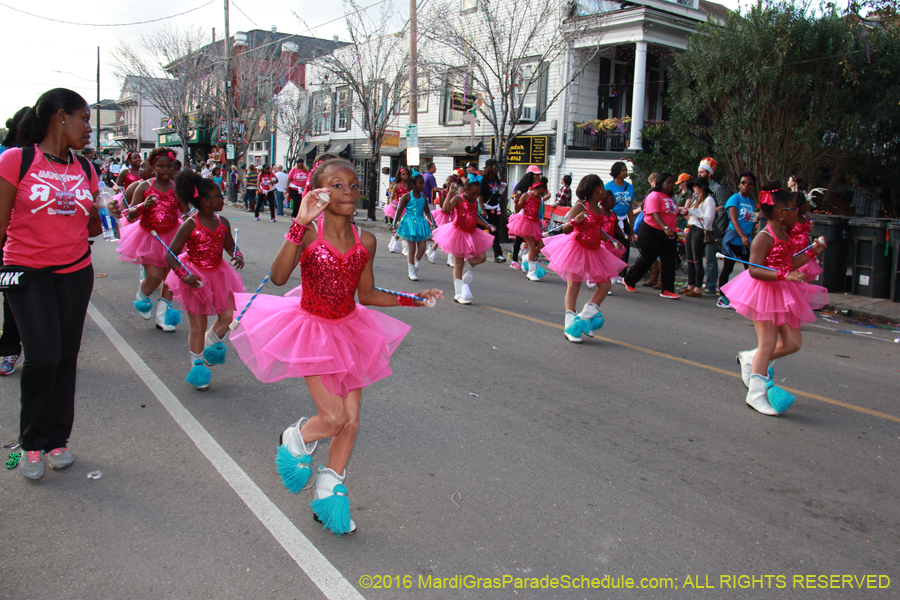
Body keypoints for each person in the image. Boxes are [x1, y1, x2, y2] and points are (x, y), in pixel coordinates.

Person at [229, 158, 442, 536]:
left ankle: (328, 494)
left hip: (350, 331)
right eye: (337, 185)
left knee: (352, 421)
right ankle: (293, 438)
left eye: (353, 185)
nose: (347, 192)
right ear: (319, 191)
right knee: (332, 419)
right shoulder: (310, 233)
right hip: (311, 331)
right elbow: (278, 278)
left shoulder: (367, 240)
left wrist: (413, 299)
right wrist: (298, 223)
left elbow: (367, 293)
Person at [0, 88, 112, 479]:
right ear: (60, 117)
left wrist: (110, 213)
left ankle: (56, 440)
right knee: (43, 357)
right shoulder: (18, 160)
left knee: (65, 358)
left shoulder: (86, 168)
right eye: (84, 119)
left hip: (75, 271)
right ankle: (30, 443)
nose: (89, 129)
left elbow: (93, 226)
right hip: (27, 270)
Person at [725, 182, 827, 416]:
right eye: (793, 208)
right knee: (768, 344)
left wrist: (813, 251)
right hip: (764, 292)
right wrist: (785, 274)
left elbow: (789, 262)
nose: (797, 213)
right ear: (781, 213)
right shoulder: (764, 236)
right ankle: (756, 395)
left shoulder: (785, 234)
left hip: (783, 291)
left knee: (793, 343)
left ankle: (751, 357)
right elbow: (754, 270)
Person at [164, 169, 245, 390]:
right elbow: (170, 254)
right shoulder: (190, 224)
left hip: (219, 274)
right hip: (195, 278)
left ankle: (212, 339)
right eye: (218, 195)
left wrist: (236, 254)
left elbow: (228, 244)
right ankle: (198, 365)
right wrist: (184, 275)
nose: (222, 198)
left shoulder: (223, 221)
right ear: (206, 201)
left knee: (229, 315)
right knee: (197, 325)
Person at [541, 175, 626, 343]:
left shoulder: (600, 210)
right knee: (574, 288)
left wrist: (611, 240)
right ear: (596, 189)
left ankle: (584, 318)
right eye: (602, 186)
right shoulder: (580, 206)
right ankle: (570, 325)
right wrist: (574, 221)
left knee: (605, 285)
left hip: (595, 251)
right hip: (577, 249)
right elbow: (565, 229)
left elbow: (597, 230)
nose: (605, 190)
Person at [117, 148, 184, 332]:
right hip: (150, 236)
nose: (165, 169)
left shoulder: (176, 188)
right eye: (160, 166)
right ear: (153, 167)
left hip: (173, 236)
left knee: (171, 279)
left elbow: (185, 211)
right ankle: (142, 294)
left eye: (168, 166)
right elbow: (129, 213)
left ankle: (163, 317)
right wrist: (142, 206)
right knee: (154, 276)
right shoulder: (144, 186)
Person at [431, 174, 496, 304]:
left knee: (482, 257)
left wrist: (488, 225)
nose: (475, 196)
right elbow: (445, 208)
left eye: (478, 194)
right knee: (458, 264)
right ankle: (458, 293)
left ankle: (466, 269)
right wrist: (450, 192)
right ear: (465, 190)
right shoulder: (458, 199)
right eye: (473, 193)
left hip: (472, 233)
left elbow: (475, 216)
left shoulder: (474, 201)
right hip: (458, 233)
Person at [0, 106, 30, 376]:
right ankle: (9, 348)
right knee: (13, 298)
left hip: (46, 250)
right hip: (10, 241)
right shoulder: (7, 156)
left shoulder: (56, 160)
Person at [623, 173, 681, 299]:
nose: (671, 185)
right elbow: (655, 214)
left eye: (672, 183)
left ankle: (668, 289)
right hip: (652, 230)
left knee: (669, 260)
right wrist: (665, 228)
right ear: (660, 183)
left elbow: (672, 212)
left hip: (669, 232)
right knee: (648, 257)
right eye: (668, 182)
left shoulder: (670, 197)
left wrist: (681, 212)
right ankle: (629, 279)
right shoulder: (654, 196)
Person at [717, 171, 757, 308]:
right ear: (739, 184)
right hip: (734, 238)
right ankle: (722, 296)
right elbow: (733, 219)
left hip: (745, 240)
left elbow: (749, 219)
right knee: (728, 268)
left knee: (750, 269)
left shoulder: (751, 201)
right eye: (743, 182)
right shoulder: (735, 198)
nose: (746, 185)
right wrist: (743, 235)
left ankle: (747, 296)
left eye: (749, 183)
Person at [392, 171, 435, 281]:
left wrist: (434, 224)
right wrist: (394, 223)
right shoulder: (406, 197)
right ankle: (411, 270)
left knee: (422, 247)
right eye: (420, 183)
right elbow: (399, 210)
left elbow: (428, 212)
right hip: (409, 223)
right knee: (411, 248)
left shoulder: (424, 198)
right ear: (413, 185)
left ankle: (416, 261)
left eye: (423, 183)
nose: (423, 186)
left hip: (421, 224)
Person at [697, 158, 729, 295]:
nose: (699, 175)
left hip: (711, 227)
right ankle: (697, 283)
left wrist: (708, 209)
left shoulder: (717, 188)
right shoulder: (698, 187)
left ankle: (710, 285)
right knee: (697, 257)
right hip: (698, 225)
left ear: (709, 174)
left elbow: (723, 206)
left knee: (710, 258)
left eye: (702, 172)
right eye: (698, 172)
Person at [508, 177, 548, 282]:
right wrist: (516, 200)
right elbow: (517, 210)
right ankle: (531, 271)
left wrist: (540, 224)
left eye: (542, 194)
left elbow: (536, 212)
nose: (540, 196)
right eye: (539, 193)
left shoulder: (539, 199)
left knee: (541, 245)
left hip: (534, 223)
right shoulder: (526, 195)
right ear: (534, 188)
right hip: (525, 222)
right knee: (531, 245)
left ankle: (526, 258)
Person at [683, 177, 716, 297]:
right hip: (691, 228)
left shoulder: (709, 200)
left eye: (695, 186)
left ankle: (698, 288)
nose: (694, 188)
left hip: (700, 230)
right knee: (690, 259)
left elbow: (709, 219)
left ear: (701, 188)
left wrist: (697, 213)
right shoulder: (697, 199)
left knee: (697, 260)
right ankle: (690, 285)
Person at [604, 162, 635, 285]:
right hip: (611, 220)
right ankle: (608, 272)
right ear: (616, 172)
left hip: (624, 219)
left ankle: (622, 274)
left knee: (624, 246)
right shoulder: (608, 186)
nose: (625, 172)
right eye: (622, 170)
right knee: (609, 246)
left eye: (626, 170)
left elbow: (630, 207)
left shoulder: (630, 187)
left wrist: (631, 224)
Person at [509, 165, 543, 266]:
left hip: (533, 215)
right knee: (520, 238)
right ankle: (515, 260)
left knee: (535, 241)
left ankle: (529, 258)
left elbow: (543, 196)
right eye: (535, 174)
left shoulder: (538, 188)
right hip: (523, 214)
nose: (537, 176)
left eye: (538, 175)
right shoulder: (522, 186)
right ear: (530, 174)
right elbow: (515, 199)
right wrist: (518, 199)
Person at [789, 191, 823, 282]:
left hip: (806, 256)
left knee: (807, 283)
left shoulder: (805, 218)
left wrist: (815, 253)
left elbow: (808, 238)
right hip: (794, 256)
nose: (806, 206)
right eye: (804, 204)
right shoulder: (790, 219)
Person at [480, 158, 506, 263]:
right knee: (479, 230)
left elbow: (498, 194)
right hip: (485, 209)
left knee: (495, 231)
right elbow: (480, 195)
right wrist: (482, 209)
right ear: (490, 168)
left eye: (498, 167)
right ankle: (473, 250)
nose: (497, 169)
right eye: (495, 167)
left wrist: (502, 192)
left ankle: (498, 255)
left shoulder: (496, 180)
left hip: (495, 209)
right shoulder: (484, 180)